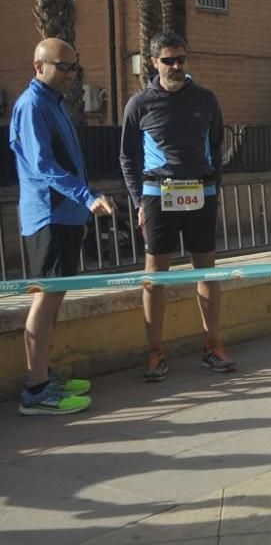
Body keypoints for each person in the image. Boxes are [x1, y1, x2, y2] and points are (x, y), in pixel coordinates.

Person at [120, 32, 234, 382]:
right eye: (168, 60)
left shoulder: (206, 99)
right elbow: (127, 157)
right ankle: (155, 353)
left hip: (200, 193)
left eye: (180, 59)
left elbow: (216, 148)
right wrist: (139, 201)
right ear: (154, 62)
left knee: (207, 271)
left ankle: (212, 346)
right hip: (158, 195)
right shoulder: (139, 103)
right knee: (155, 277)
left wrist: (214, 189)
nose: (175, 66)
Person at [11, 38, 115, 415]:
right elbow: (44, 166)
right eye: (64, 67)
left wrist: (84, 202)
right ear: (40, 67)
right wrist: (87, 197)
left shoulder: (54, 105)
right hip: (48, 218)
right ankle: (36, 390)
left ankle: (44, 374)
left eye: (75, 66)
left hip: (67, 218)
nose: (72, 74)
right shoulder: (32, 105)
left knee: (54, 301)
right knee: (45, 299)